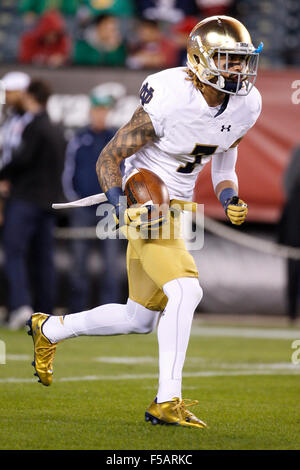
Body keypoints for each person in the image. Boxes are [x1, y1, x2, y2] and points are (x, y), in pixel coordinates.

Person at [27, 16, 262, 428]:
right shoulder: (172, 95)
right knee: (186, 290)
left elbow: (225, 162)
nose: (237, 70)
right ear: (202, 59)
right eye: (227, 59)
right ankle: (166, 400)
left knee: (140, 318)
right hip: (144, 196)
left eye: (242, 61)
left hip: (180, 205)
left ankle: (51, 328)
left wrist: (230, 196)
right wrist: (122, 206)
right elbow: (109, 157)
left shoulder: (247, 103)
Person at [0, 79, 66, 329]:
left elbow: (21, 160)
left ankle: (20, 306)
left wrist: (3, 176)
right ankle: (45, 311)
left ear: (31, 97)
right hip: (49, 204)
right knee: (43, 259)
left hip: (26, 200)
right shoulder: (56, 128)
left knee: (14, 252)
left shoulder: (34, 127)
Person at [62, 87, 124, 311]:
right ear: (90, 112)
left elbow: (125, 171)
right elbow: (68, 172)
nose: (100, 115)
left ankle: (111, 311)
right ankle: (77, 310)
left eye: (103, 110)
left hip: (109, 209)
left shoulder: (117, 139)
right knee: (79, 262)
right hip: (83, 209)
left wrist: (118, 202)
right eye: (97, 110)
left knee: (111, 263)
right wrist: (76, 199)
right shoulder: (79, 138)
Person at [278, 146, 300, 322]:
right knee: (293, 276)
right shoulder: (293, 197)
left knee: (293, 276)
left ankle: (292, 313)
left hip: (293, 241)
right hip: (294, 241)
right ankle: (292, 313)